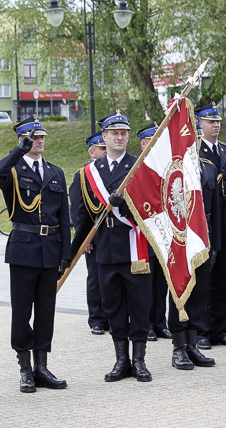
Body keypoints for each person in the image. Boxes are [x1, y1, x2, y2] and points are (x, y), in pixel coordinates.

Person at [0, 116, 71, 393]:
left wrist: (65, 253)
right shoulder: (13, 170)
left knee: (46, 310)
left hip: (50, 248)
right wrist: (18, 151)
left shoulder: (55, 172)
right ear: (22, 139)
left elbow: (64, 216)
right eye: (34, 137)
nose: (40, 141)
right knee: (22, 311)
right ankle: (25, 368)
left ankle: (42, 367)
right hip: (24, 249)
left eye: (42, 136)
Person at [71, 110, 154, 383]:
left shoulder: (140, 166)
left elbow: (153, 208)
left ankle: (139, 361)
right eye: (114, 133)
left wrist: (127, 207)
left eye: (124, 133)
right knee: (114, 306)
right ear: (104, 137)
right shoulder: (90, 172)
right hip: (105, 249)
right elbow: (84, 217)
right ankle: (121, 361)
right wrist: (71, 253)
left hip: (135, 247)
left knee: (139, 305)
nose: (119, 137)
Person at [194, 103, 226, 350]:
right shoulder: (194, 151)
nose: (215, 125)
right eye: (210, 121)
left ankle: (219, 330)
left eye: (217, 121)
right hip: (204, 225)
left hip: (225, 224)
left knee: (224, 280)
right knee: (205, 280)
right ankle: (201, 331)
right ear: (199, 124)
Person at [169, 155, 219, 370]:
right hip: (179, 237)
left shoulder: (208, 167)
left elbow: (215, 210)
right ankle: (179, 346)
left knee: (199, 293)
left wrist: (215, 244)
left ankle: (192, 344)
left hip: (202, 238)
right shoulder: (171, 165)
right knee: (180, 291)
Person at [68, 131, 109, 335]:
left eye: (106, 148)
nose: (105, 151)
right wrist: (84, 238)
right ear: (92, 152)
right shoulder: (84, 175)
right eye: (101, 149)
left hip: (114, 233)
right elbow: (77, 209)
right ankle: (97, 319)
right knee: (95, 278)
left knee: (113, 278)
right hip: (94, 234)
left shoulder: (113, 171)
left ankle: (112, 316)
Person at [136, 122, 171, 342]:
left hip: (164, 233)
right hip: (145, 233)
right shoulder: (137, 168)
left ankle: (159, 322)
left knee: (161, 282)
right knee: (146, 283)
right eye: (153, 140)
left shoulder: (166, 166)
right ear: (143, 144)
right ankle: (146, 324)